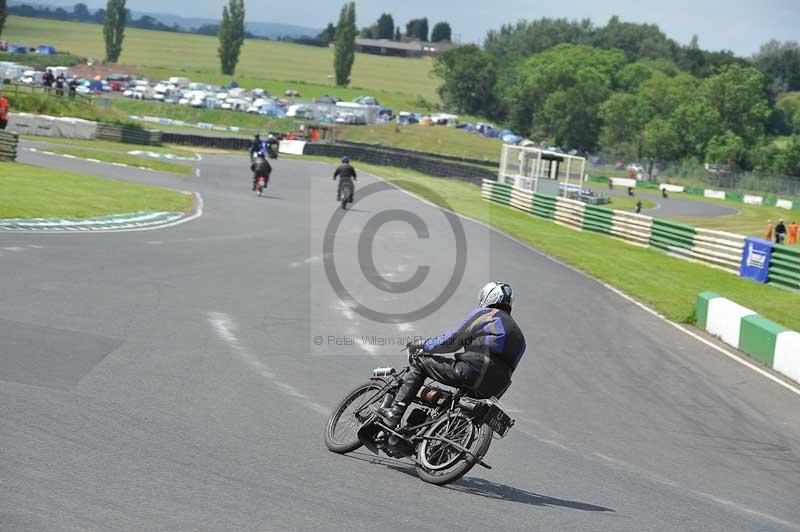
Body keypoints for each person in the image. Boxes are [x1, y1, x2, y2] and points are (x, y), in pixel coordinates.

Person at [376, 282, 526, 429]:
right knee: (464, 408)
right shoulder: (520, 338)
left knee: (420, 361)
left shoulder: (487, 315)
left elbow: (450, 342)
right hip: (495, 388)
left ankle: (395, 411)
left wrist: (422, 345)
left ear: (489, 296)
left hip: (473, 370)